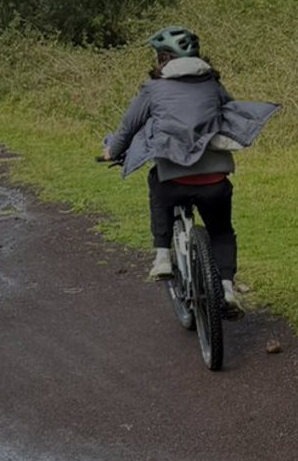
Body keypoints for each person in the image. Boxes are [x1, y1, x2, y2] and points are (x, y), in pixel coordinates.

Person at [98, 26, 278, 313]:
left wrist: (112, 152)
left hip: (172, 178)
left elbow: (128, 126)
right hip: (215, 178)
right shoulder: (212, 85)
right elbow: (230, 112)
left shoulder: (152, 88)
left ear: (163, 58)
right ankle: (228, 289)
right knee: (220, 231)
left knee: (156, 185)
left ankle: (162, 257)